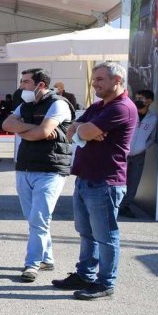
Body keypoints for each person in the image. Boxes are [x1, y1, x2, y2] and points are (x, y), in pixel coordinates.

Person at [52, 61, 138, 300]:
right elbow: (71, 132)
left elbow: (83, 132)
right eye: (94, 79)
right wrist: (83, 128)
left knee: (106, 236)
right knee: (87, 233)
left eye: (100, 79)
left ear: (117, 80)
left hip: (105, 182)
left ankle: (105, 283)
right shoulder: (99, 106)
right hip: (85, 179)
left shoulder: (121, 108)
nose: (94, 83)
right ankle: (85, 275)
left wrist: (85, 130)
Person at [1, 68, 75, 282]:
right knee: (33, 219)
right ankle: (47, 258)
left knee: (39, 219)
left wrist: (24, 129)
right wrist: (33, 128)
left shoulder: (58, 104)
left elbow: (42, 133)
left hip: (50, 169)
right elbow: (7, 125)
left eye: (25, 82)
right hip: (25, 167)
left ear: (40, 84)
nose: (21, 86)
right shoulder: (25, 104)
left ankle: (32, 264)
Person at [118, 90, 157, 217]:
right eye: (136, 98)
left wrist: (143, 147)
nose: (137, 100)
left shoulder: (153, 118)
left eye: (141, 98)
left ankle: (125, 206)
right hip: (123, 153)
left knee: (134, 181)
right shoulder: (129, 113)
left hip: (139, 155)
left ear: (149, 101)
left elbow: (152, 137)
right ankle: (114, 204)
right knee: (118, 180)